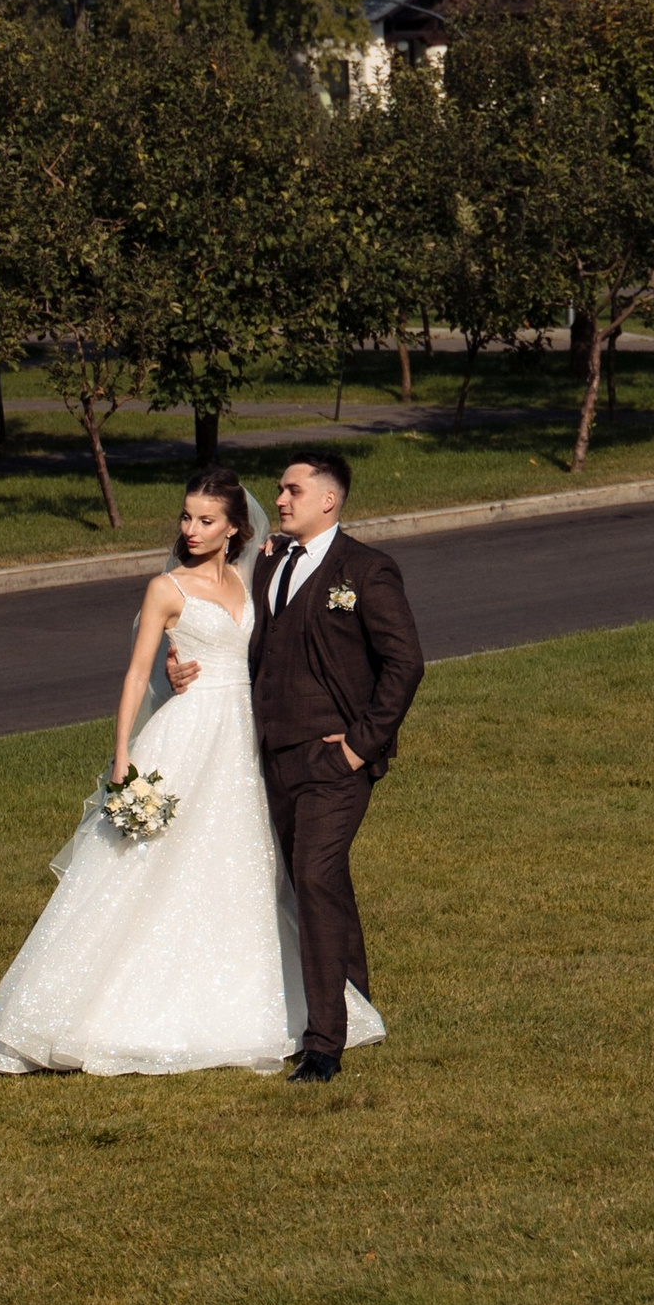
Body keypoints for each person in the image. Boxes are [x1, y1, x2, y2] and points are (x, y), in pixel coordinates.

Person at [0, 468, 384, 1079]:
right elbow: (138, 674)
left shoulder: (255, 573)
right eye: (186, 518)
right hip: (190, 734)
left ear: (235, 526)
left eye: (206, 520)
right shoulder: (166, 588)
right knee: (148, 866)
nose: (190, 529)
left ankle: (280, 1001)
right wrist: (124, 751)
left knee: (247, 865)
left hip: (248, 736)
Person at [238, 449, 425, 1083]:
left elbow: (405, 665)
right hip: (272, 756)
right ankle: (358, 1006)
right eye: (279, 489)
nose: (280, 501)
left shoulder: (367, 571)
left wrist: (358, 746)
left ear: (329, 500)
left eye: (291, 490)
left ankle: (324, 1045)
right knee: (312, 880)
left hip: (334, 761)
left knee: (314, 877)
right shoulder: (268, 567)